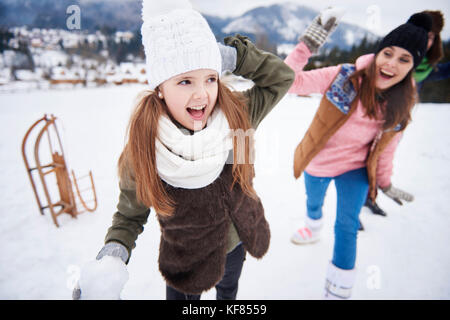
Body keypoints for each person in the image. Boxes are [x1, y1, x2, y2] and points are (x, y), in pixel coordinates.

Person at [72, 0, 294, 300]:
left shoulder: (237, 114)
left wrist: (233, 56)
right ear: (160, 87)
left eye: (211, 78)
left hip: (237, 240)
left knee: (228, 292)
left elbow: (280, 78)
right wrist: (112, 258)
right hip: (186, 259)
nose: (202, 94)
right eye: (185, 80)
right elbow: (129, 216)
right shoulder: (144, 148)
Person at [284, 9, 430, 299]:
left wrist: (384, 182)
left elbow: (387, 149)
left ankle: (338, 291)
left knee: (347, 225)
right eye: (387, 53)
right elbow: (290, 83)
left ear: (413, 67)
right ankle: (312, 227)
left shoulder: (402, 104)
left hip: (356, 168)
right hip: (318, 158)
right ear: (377, 53)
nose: (391, 64)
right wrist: (306, 48)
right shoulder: (343, 76)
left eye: (404, 59)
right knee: (314, 201)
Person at [363, 10, 448, 220]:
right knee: (363, 160)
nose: (426, 40)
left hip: (396, 124)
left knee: (382, 158)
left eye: (430, 37)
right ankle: (356, 205)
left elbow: (444, 72)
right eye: (423, 34)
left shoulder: (423, 67)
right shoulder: (390, 62)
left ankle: (370, 196)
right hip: (371, 123)